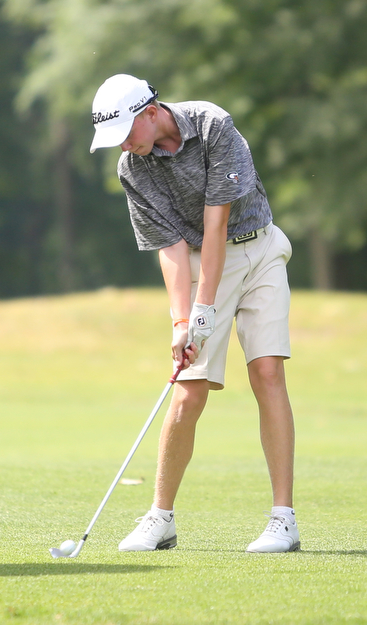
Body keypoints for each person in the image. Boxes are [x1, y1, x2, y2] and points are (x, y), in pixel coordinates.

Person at [90, 74, 300, 553]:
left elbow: (217, 220)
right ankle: (160, 517)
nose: (122, 145)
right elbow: (170, 247)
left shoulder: (211, 125)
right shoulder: (132, 168)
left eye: (125, 132)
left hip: (260, 250)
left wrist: (205, 307)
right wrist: (183, 321)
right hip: (204, 263)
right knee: (188, 392)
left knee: (268, 372)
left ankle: (283, 520)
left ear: (150, 112)